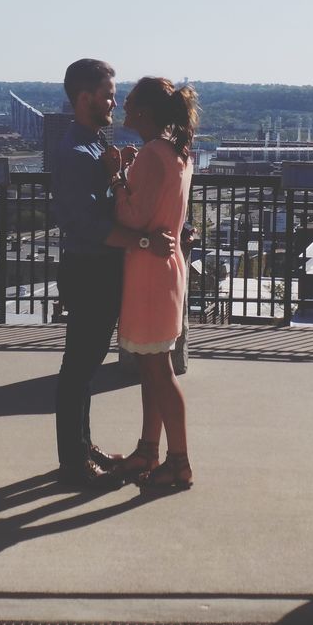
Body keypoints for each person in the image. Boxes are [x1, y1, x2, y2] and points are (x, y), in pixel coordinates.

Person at [50, 59, 177, 488]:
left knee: (85, 365)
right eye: (107, 94)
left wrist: (118, 174)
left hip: (97, 269)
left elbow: (109, 209)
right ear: (84, 99)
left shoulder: (90, 147)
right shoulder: (74, 154)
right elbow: (88, 225)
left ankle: (82, 447)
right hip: (88, 270)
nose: (113, 102)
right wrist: (144, 243)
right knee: (78, 369)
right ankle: (73, 460)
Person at [108, 77, 199, 493]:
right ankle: (149, 449)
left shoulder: (151, 155)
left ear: (144, 113)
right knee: (152, 365)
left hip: (148, 270)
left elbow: (131, 216)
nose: (123, 112)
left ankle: (178, 460)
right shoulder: (179, 154)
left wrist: (116, 177)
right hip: (169, 267)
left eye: (128, 106)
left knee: (158, 370)